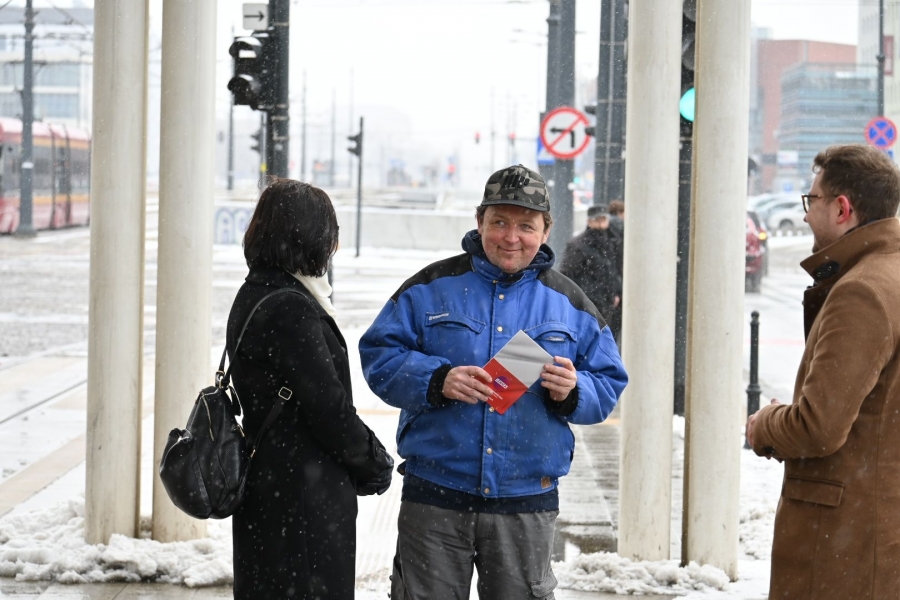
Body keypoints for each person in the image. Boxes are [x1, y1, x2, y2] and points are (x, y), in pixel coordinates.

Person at [359, 164, 628, 600]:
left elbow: (609, 380)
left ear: (545, 231)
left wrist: (574, 391)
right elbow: (379, 355)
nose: (511, 237)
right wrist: (437, 379)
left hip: (527, 502)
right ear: (479, 221)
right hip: (435, 498)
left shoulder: (571, 303)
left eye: (526, 226)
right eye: (499, 222)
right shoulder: (429, 287)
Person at [226, 179, 394, 599]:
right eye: (330, 233)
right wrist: (373, 462)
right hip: (302, 498)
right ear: (309, 237)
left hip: (270, 486)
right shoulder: (292, 307)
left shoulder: (256, 292)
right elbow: (327, 407)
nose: (334, 245)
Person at [746, 144, 900, 599]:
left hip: (845, 543)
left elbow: (819, 427)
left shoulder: (862, 292)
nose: (806, 213)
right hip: (876, 527)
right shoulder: (889, 274)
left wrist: (764, 425)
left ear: (842, 209)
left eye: (811, 200)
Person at [559, 205, 623, 340]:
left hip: (608, 303)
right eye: (597, 219)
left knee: (606, 340)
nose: (601, 223)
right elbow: (567, 274)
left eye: (603, 219)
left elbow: (615, 270)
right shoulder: (578, 245)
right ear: (589, 221)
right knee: (593, 339)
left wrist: (616, 292)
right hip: (590, 304)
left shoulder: (613, 242)